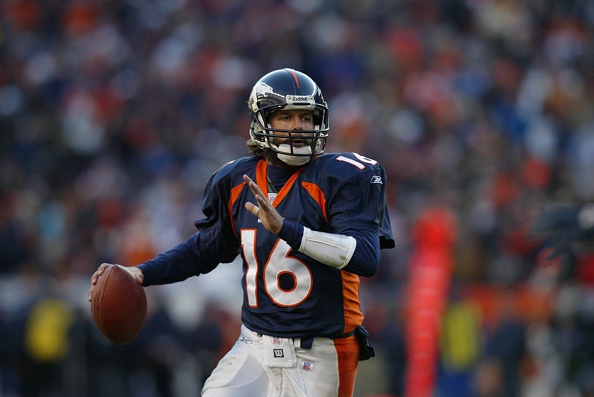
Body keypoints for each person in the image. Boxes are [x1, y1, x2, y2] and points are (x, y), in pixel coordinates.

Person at [89, 68, 395, 397]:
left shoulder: (344, 176)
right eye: (286, 117)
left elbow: (364, 257)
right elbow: (202, 251)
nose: (298, 127)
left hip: (320, 352)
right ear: (261, 122)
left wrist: (286, 229)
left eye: (306, 118)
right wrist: (140, 273)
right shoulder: (236, 181)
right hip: (255, 346)